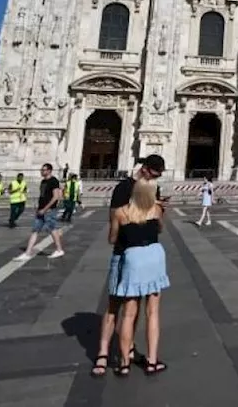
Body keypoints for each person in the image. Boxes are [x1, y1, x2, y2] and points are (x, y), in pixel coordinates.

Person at [95, 155, 167, 373]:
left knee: (131, 310)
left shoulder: (152, 191)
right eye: (154, 175)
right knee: (116, 306)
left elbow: (117, 229)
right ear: (144, 170)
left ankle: (127, 353)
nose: (156, 180)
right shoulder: (122, 189)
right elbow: (115, 226)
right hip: (125, 255)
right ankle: (103, 353)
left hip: (136, 255)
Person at [14, 164, 64, 260]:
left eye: (44, 170)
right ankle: (28, 252)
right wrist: (39, 208)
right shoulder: (43, 181)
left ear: (49, 171)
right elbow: (43, 196)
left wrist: (45, 209)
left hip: (49, 210)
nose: (41, 171)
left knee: (52, 229)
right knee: (35, 230)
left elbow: (56, 197)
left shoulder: (53, 181)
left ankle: (59, 250)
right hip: (41, 210)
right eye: (41, 170)